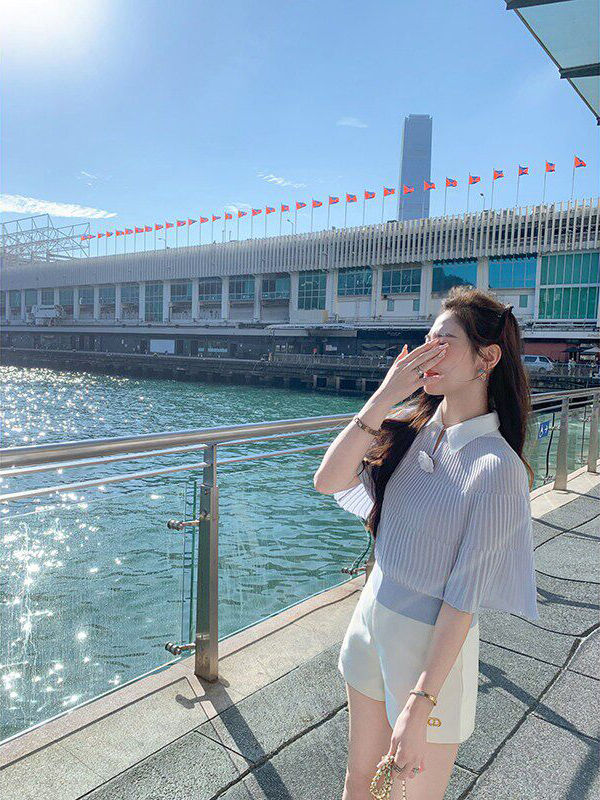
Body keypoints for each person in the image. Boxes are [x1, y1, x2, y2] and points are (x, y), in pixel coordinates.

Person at [314, 286, 539, 800]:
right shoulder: (411, 429)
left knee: (407, 796)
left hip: (428, 654)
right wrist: (384, 396)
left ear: (487, 358)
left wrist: (420, 704)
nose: (426, 354)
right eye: (426, 341)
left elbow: (463, 600)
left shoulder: (496, 467)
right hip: (370, 620)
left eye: (444, 343)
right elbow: (327, 481)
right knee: (358, 783)